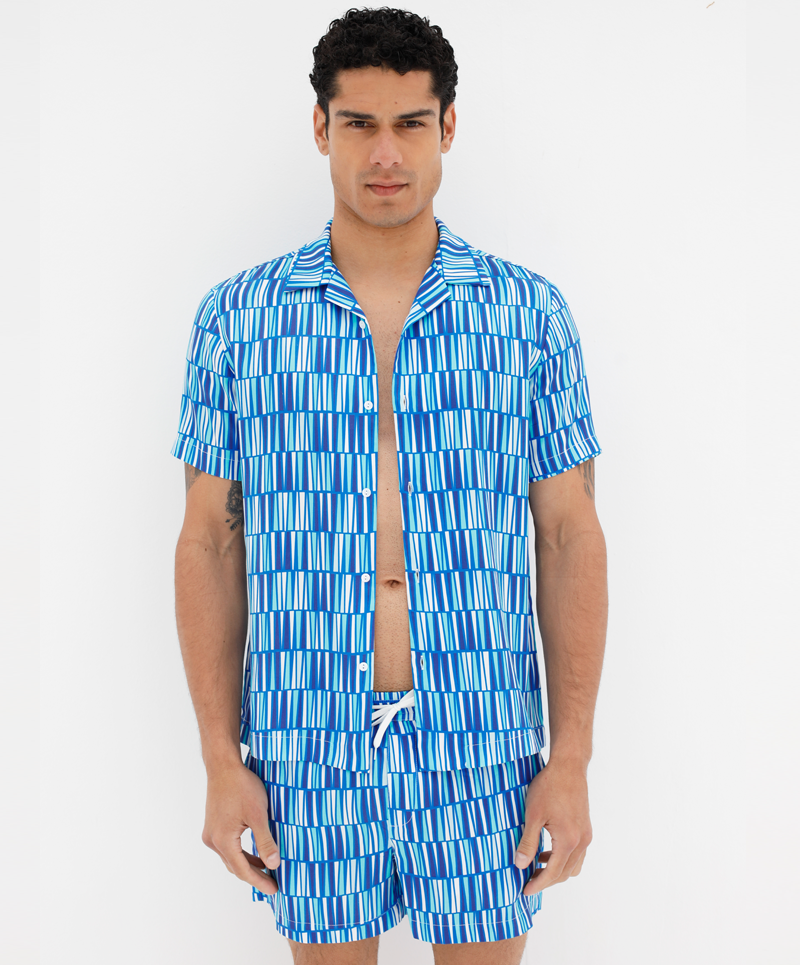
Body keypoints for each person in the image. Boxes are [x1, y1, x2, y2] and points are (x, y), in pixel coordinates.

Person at [172, 7, 608, 964]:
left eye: (410, 123)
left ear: (447, 125)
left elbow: (569, 532)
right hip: (306, 738)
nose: (385, 153)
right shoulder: (238, 319)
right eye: (359, 123)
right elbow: (209, 537)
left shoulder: (527, 314)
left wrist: (570, 755)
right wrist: (218, 757)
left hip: (483, 737)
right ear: (320, 127)